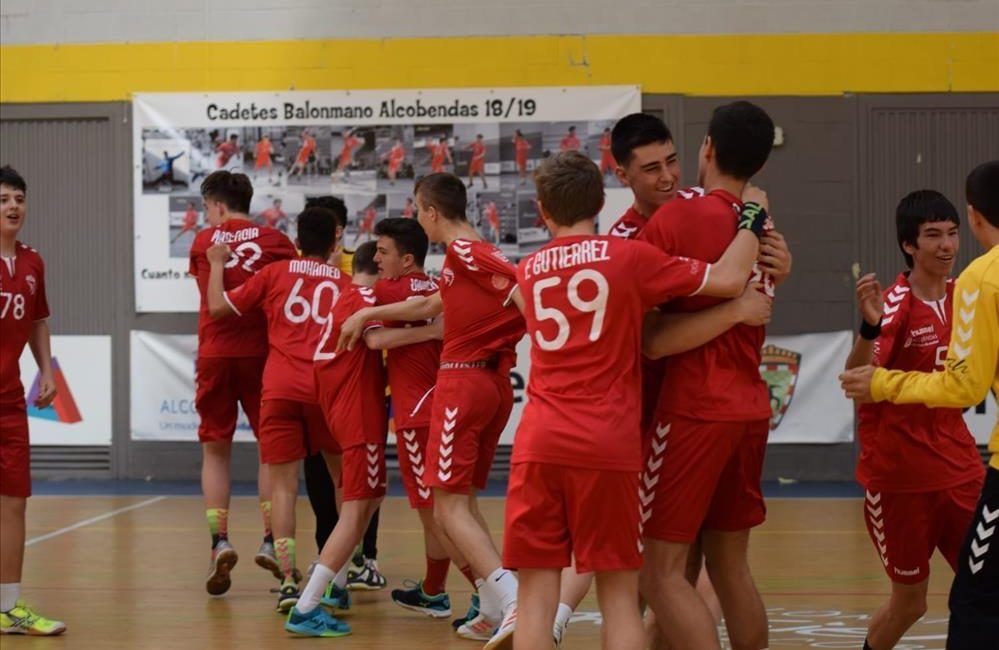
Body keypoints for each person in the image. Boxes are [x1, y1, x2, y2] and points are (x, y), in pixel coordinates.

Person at [506, 151, 769, 650]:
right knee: (620, 597)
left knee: (536, 596)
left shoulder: (529, 269)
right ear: (603, 201)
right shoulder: (628, 258)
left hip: (538, 442)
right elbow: (732, 278)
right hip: (607, 444)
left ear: (543, 210)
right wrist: (752, 216)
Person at [335, 173, 526, 647]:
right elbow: (431, 303)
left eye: (418, 209)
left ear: (430, 211)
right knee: (461, 502)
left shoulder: (466, 251)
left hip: (463, 382)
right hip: (491, 383)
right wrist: (366, 315)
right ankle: (491, 604)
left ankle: (515, 599)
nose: (418, 216)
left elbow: (524, 293)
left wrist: (542, 333)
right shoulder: (462, 260)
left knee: (445, 508)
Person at [841, 160, 999, 650]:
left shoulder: (970, 292)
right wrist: (869, 330)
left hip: (959, 469)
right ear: (909, 245)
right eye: (933, 235)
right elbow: (855, 380)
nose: (947, 245)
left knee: (984, 590)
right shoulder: (892, 305)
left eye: (952, 233)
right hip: (899, 477)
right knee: (911, 603)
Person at [637, 101, 777, 650]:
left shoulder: (674, 219)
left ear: (708, 150)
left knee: (659, 573)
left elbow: (651, 339)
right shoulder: (764, 230)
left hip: (694, 410)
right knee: (730, 569)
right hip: (748, 410)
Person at [204, 207, 351, 613]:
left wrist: (217, 263)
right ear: (335, 242)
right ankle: (336, 577)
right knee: (344, 483)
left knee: (285, 485)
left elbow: (218, 307)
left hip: (281, 389)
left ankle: (288, 580)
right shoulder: (345, 282)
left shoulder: (276, 273)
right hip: (327, 390)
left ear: (297, 240)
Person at [188, 170, 298, 596]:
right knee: (271, 453)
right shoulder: (275, 242)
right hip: (263, 356)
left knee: (215, 451)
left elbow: (210, 298)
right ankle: (271, 538)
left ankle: (220, 542)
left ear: (215, 206)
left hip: (216, 354)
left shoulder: (205, 242)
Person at [361, 218, 478, 619]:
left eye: (383, 251)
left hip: (415, 412)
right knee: (450, 509)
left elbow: (374, 339)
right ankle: (433, 590)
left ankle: (488, 593)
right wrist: (433, 332)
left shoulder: (385, 291)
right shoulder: (436, 287)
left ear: (407, 258)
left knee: (437, 517)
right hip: (444, 405)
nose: (376, 259)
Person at [284, 242, 394, 637]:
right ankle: (306, 606)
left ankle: (338, 585)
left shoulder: (350, 296)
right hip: (358, 416)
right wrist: (438, 325)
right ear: (378, 267)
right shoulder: (363, 297)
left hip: (345, 410)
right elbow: (379, 342)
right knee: (356, 507)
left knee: (369, 498)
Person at [298, 196, 387, 591]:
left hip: (340, 399)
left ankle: (341, 575)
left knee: (360, 496)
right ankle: (320, 588)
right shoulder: (362, 296)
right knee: (351, 499)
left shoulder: (350, 282)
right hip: (350, 405)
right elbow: (378, 334)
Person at [0, 165, 65, 636]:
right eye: (3, 199)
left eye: (19, 198)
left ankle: (7, 608)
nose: (13, 207)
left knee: (15, 503)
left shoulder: (32, 262)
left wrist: (46, 369)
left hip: (8, 404)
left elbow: (38, 319)